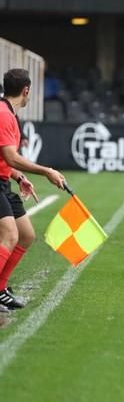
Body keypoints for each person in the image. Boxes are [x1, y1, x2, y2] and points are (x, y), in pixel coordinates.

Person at [0, 69, 65, 312]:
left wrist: (18, 176)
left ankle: (1, 288)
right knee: (9, 235)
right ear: (26, 90)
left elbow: (6, 159)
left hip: (5, 181)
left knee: (26, 235)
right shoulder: (4, 115)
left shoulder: (8, 113)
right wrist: (47, 171)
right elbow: (11, 156)